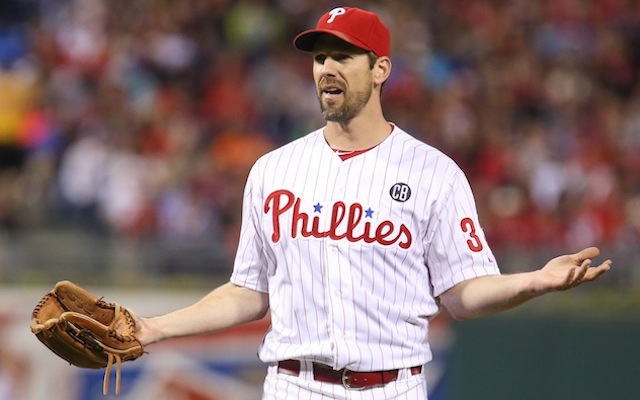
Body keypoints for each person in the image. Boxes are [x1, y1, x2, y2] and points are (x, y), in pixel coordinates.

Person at [135, 7, 612, 399]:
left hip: (392, 387)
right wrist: (154, 329)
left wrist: (535, 281)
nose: (327, 69)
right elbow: (248, 292)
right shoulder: (272, 171)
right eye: (321, 58)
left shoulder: (434, 173)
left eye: (344, 56)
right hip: (292, 385)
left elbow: (463, 295)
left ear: (380, 68)